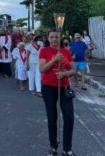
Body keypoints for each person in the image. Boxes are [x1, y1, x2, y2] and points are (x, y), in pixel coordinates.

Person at [39, 28, 76, 156]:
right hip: (48, 87)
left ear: (60, 39)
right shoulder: (44, 51)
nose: (54, 39)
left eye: (56, 37)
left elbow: (74, 70)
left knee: (69, 117)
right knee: (52, 117)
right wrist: (54, 60)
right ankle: (53, 146)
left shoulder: (66, 52)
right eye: (52, 37)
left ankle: (67, 149)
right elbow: (42, 69)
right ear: (48, 39)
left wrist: (65, 73)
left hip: (64, 87)